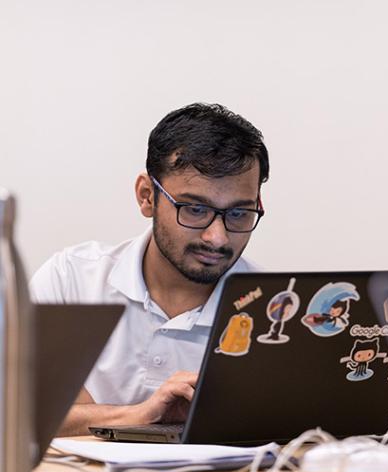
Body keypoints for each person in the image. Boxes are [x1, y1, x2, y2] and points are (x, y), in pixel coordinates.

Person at [30, 103, 269, 436]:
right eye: (196, 209)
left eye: (239, 214)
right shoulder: (70, 280)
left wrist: (86, 414)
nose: (218, 237)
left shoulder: (273, 314)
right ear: (146, 196)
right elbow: (22, 416)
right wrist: (140, 414)